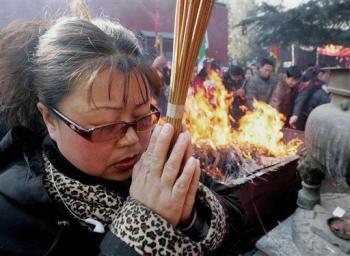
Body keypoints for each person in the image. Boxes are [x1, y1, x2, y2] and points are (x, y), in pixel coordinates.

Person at [0, 14, 245, 256]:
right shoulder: (15, 213)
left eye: (141, 117)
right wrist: (141, 231)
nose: (131, 140)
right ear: (50, 119)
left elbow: (236, 214)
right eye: (105, 126)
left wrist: (187, 216)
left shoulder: (153, 159)